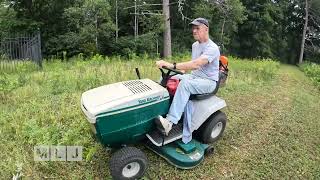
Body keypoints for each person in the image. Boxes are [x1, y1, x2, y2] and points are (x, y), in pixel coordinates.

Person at [155, 17, 220, 144]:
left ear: (206, 29)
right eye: (193, 28)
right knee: (168, 77)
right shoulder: (195, 45)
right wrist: (179, 71)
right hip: (195, 77)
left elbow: (196, 64)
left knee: (185, 84)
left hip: (208, 82)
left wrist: (171, 65)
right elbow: (192, 66)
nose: (194, 31)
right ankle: (158, 108)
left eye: (197, 28)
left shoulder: (212, 48)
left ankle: (170, 122)